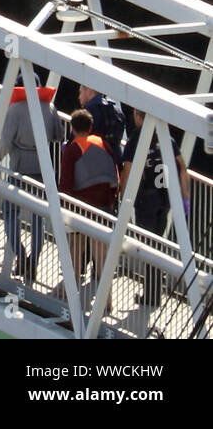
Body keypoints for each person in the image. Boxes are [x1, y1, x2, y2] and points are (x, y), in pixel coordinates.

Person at [0, 72, 62, 283]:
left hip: (18, 168)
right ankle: (34, 261)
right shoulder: (49, 109)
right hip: (42, 170)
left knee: (10, 213)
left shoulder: (14, 110)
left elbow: (5, 142)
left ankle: (21, 256)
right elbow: (59, 135)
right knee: (37, 219)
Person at [120, 108, 192, 304]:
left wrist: (123, 196)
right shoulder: (167, 139)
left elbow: (127, 169)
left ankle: (151, 295)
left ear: (139, 117)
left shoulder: (137, 139)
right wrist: (185, 197)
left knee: (148, 247)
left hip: (146, 200)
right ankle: (154, 291)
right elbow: (182, 167)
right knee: (158, 245)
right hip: (165, 199)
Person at [58, 109, 119, 297]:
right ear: (91, 127)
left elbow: (66, 182)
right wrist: (111, 200)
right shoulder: (103, 145)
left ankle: (71, 290)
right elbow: (114, 176)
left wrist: (63, 205)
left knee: (76, 248)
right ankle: (107, 298)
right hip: (103, 206)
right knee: (101, 254)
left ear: (72, 128)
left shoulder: (72, 149)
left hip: (79, 207)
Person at [79, 83, 127, 169]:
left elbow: (76, 140)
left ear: (89, 91)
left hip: (93, 165)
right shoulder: (117, 112)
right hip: (114, 163)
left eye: (80, 92)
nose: (79, 97)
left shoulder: (87, 113)